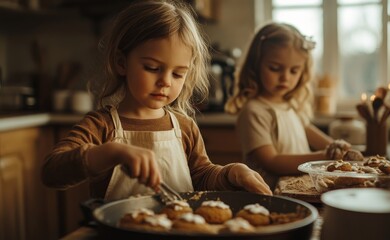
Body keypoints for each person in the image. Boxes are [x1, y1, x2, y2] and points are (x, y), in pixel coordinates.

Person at [41, 0, 271, 201]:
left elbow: (201, 176)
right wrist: (110, 153)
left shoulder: (184, 127)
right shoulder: (101, 126)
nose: (165, 82)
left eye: (178, 73)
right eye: (152, 68)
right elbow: (52, 172)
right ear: (122, 63)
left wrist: (231, 173)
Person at [225, 23, 362, 190]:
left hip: (296, 189)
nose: (285, 78)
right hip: (269, 195)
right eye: (275, 68)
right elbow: (271, 161)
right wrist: (324, 157)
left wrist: (338, 148)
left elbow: (309, 131)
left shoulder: (288, 106)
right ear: (255, 65)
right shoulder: (254, 111)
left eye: (294, 71)